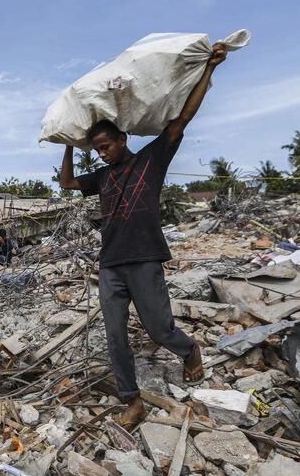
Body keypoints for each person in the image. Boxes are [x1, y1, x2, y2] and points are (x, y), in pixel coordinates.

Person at [59, 43, 228, 429]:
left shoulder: (151, 160)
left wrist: (209, 70)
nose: (101, 155)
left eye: (105, 147)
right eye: (96, 150)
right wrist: (70, 143)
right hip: (110, 266)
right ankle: (131, 401)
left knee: (159, 328)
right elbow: (67, 182)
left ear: (123, 139)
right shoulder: (101, 177)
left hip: (145, 258)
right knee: (115, 335)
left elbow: (182, 118)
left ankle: (189, 351)